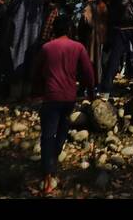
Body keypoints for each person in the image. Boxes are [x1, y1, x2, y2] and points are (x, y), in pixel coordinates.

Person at [32, 15, 95, 195]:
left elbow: (35, 73)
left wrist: (35, 92)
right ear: (70, 29)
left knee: (47, 136)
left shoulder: (46, 48)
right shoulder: (78, 47)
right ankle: (52, 164)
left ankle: (47, 175)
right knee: (61, 132)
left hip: (50, 98)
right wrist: (91, 93)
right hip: (68, 99)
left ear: (54, 29)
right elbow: (88, 73)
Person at [6, 0, 45, 96]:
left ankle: (14, 94)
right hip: (33, 36)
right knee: (30, 61)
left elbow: (10, 11)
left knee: (16, 59)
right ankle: (26, 94)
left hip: (18, 33)